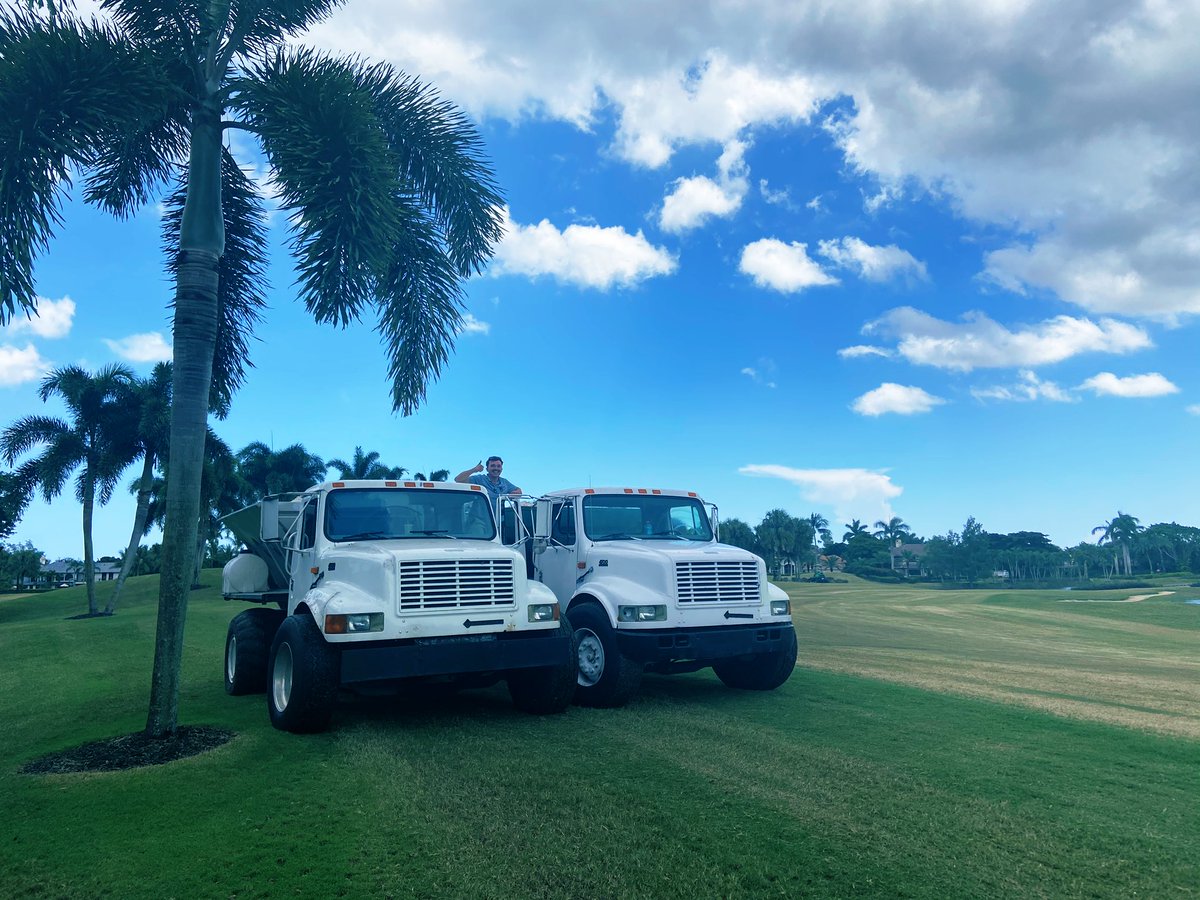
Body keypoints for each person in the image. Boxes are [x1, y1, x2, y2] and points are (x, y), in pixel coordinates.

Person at [455, 456, 522, 504]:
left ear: (501, 469)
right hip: (480, 521)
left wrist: (511, 495)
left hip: (499, 521)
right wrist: (474, 470)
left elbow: (519, 491)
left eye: (498, 466)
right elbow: (458, 479)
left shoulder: (504, 482)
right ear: (487, 469)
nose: (496, 468)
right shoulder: (479, 479)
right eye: (492, 466)